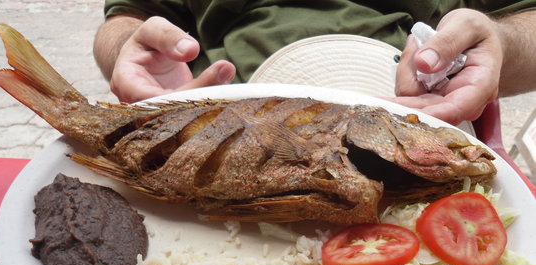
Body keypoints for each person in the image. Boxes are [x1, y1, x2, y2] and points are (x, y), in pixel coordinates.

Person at [93, 1, 536, 126]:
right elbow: (126, 19)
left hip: (419, 108)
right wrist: (131, 55)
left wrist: (499, 41)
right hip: (215, 115)